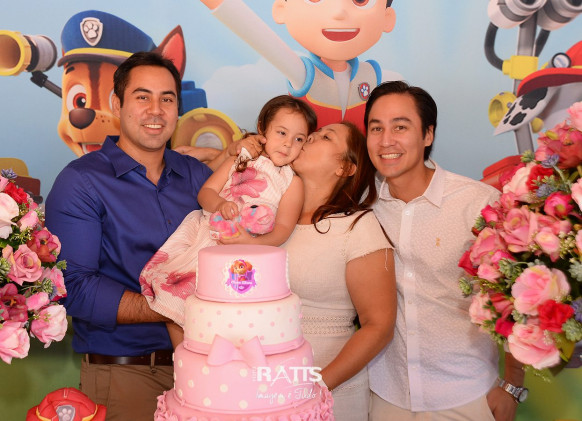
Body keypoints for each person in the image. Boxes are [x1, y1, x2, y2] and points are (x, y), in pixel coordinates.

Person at [44, 51, 260, 421]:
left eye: (167, 99)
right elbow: (72, 288)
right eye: (142, 97)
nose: (156, 110)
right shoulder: (81, 181)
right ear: (117, 104)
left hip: (212, 371)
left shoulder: (197, 176)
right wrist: (175, 306)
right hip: (127, 374)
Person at [365, 80, 525, 421]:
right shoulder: (364, 206)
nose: (386, 140)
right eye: (376, 128)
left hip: (467, 394)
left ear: (428, 135)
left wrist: (512, 384)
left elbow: (519, 297)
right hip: (386, 393)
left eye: (400, 127)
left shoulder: (478, 204)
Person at [233, 122, 397, 421]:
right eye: (313, 133)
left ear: (345, 167)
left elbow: (379, 326)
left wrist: (316, 388)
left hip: (328, 398)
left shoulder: (357, 227)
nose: (310, 138)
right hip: (262, 393)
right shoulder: (266, 219)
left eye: (325, 137)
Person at [139, 95, 317, 343]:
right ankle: (182, 356)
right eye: (281, 133)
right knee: (175, 298)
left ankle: (218, 356)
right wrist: (220, 204)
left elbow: (283, 229)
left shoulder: (292, 182)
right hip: (207, 238)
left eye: (298, 139)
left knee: (225, 315)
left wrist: (251, 242)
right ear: (263, 129)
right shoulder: (240, 159)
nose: (288, 144)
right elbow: (206, 193)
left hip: (244, 257)